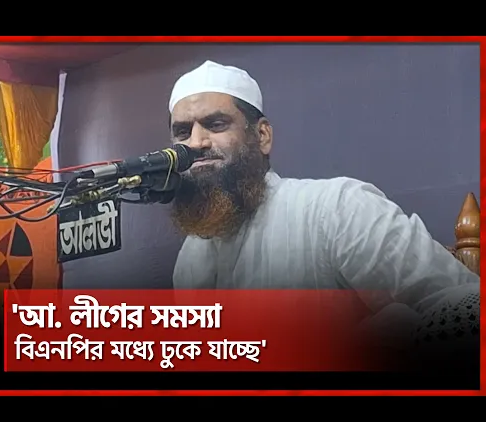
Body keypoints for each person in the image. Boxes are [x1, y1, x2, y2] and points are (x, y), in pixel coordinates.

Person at [168, 60, 479, 349]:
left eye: (216, 124)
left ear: (262, 135)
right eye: (183, 132)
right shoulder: (191, 257)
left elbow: (467, 308)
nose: (195, 143)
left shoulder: (338, 209)